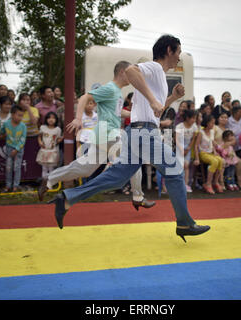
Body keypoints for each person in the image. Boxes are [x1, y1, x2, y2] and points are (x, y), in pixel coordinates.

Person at [48, 35, 210, 242]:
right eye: (178, 52)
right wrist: (154, 101)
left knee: (117, 176)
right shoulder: (154, 67)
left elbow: (155, 112)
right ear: (169, 50)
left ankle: (67, 199)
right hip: (143, 133)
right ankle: (185, 223)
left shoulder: (155, 77)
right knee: (175, 171)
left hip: (138, 131)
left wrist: (171, 99)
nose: (179, 57)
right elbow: (131, 71)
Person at [39, 61, 154, 211]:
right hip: (108, 133)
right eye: (130, 73)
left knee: (85, 169)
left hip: (103, 135)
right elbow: (84, 97)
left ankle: (49, 179)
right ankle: (138, 197)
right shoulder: (110, 88)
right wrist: (78, 118)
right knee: (133, 160)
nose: (133, 77)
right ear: (122, 72)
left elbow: (118, 113)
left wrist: (136, 115)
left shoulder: (117, 91)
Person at [0, 105, 27, 192]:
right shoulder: (6, 124)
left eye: (22, 115)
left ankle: (15, 186)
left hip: (19, 149)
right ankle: (8, 185)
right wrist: (1, 135)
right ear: (12, 114)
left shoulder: (23, 126)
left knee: (17, 167)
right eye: (18, 115)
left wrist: (17, 149)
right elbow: (1, 131)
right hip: (9, 148)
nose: (20, 117)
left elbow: (23, 139)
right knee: (8, 167)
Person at [195, 114, 224, 194]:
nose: (213, 125)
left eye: (214, 123)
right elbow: (196, 146)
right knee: (214, 161)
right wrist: (197, 158)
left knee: (220, 160)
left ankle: (215, 182)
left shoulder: (212, 131)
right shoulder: (201, 133)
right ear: (207, 123)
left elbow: (212, 142)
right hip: (203, 153)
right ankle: (208, 183)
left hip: (211, 152)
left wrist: (215, 151)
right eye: (212, 123)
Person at [175, 109, 199, 192]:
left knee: (186, 165)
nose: (194, 120)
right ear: (187, 118)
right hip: (179, 147)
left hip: (188, 147)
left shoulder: (194, 126)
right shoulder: (180, 126)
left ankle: (186, 184)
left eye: (195, 118)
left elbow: (193, 138)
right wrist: (181, 149)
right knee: (180, 166)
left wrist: (188, 148)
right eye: (192, 118)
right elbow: (177, 139)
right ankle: (179, 184)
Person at [37, 112, 63, 179]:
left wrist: (63, 137)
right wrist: (40, 142)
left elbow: (57, 140)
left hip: (53, 151)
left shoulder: (58, 129)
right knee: (44, 168)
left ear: (56, 120)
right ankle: (44, 182)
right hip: (44, 150)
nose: (51, 119)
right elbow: (39, 136)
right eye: (49, 117)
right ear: (46, 119)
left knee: (51, 168)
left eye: (53, 118)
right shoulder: (42, 127)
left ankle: (50, 182)